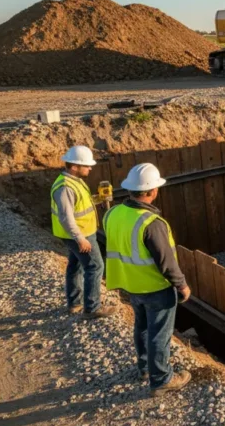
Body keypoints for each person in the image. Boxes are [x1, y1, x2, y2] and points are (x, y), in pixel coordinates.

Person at [104, 163, 191, 395]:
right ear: (153, 191)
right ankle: (161, 379)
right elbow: (166, 262)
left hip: (129, 284)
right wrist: (182, 285)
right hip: (155, 288)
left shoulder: (112, 213)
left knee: (141, 328)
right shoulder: (151, 223)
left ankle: (145, 367)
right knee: (159, 334)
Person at [52, 146, 114, 318]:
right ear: (74, 167)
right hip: (79, 235)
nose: (90, 168)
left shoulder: (74, 181)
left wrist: (98, 199)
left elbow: (79, 204)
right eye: (86, 165)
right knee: (95, 266)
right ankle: (92, 308)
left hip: (78, 233)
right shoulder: (65, 187)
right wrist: (80, 239)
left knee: (75, 266)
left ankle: (75, 303)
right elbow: (66, 217)